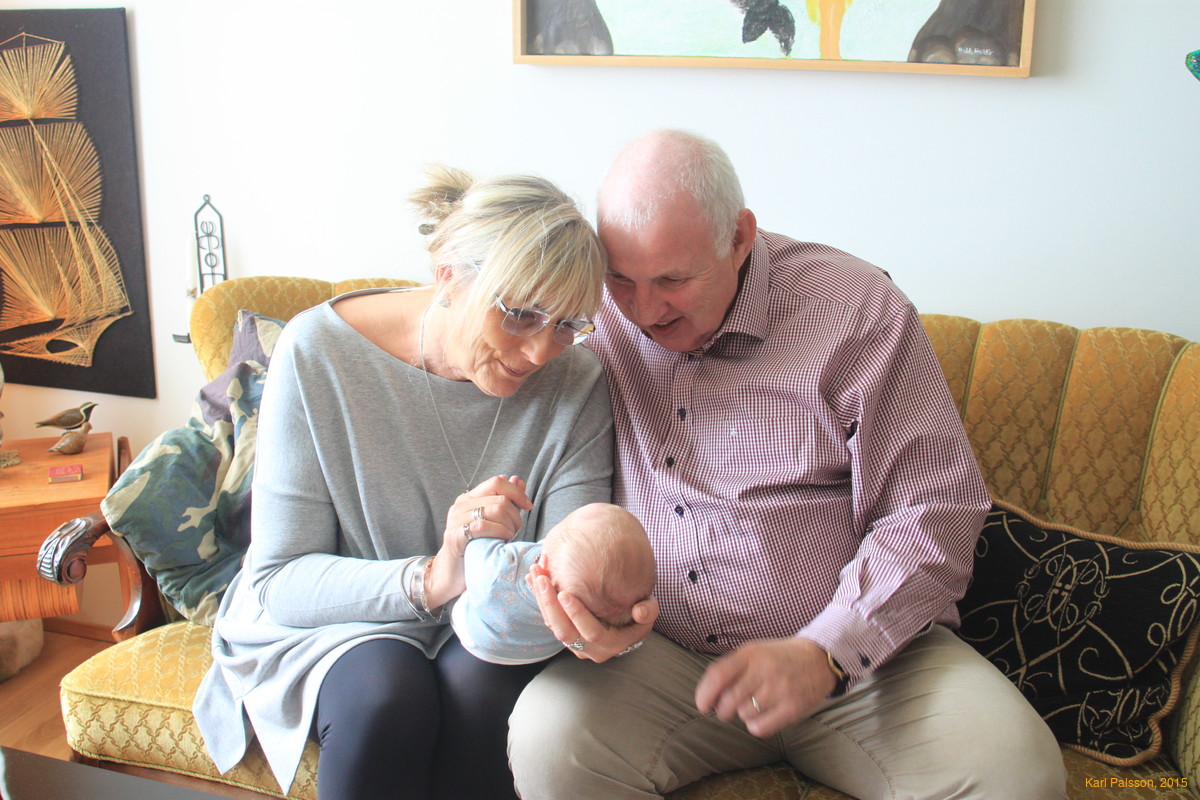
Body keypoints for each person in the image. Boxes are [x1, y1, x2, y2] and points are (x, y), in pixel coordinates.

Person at [508, 130, 1068, 799]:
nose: (646, 311)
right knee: (549, 739)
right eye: (623, 279)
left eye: (674, 281)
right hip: (663, 658)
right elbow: (476, 316)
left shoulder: (856, 311)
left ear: (740, 236)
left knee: (1017, 773)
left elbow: (933, 511)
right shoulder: (594, 311)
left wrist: (826, 651)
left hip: (859, 667)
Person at [192, 165, 616, 800]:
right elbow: (281, 581)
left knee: (483, 688)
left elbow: (564, 566)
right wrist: (437, 574)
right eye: (521, 315)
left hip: (493, 618)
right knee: (387, 697)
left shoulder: (578, 382)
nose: (541, 352)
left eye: (566, 324)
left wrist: (594, 601)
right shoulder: (319, 354)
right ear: (448, 275)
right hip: (337, 616)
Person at [452, 501, 656, 664]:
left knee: (459, 603)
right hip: (541, 652)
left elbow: (474, 551)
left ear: (542, 567)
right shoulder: (601, 607)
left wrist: (493, 518)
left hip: (478, 639)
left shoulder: (503, 570)